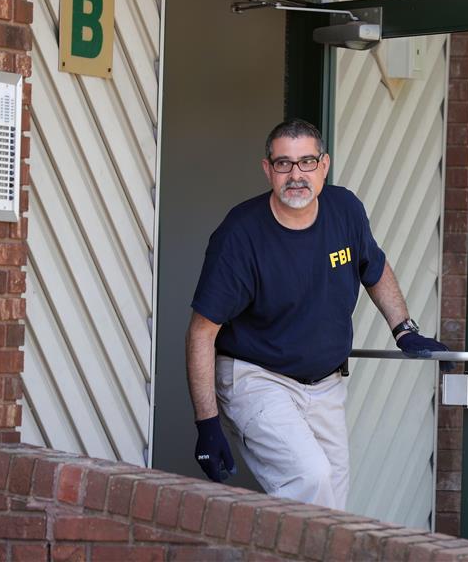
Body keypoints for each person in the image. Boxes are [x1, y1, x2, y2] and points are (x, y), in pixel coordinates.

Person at [185, 118, 447, 510]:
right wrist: (206, 424)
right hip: (257, 378)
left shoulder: (345, 210)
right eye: (284, 164)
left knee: (332, 506)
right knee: (311, 478)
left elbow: (373, 268)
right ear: (267, 169)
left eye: (307, 162)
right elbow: (201, 333)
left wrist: (404, 330)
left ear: (324, 166)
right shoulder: (240, 236)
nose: (296, 175)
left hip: (325, 386)